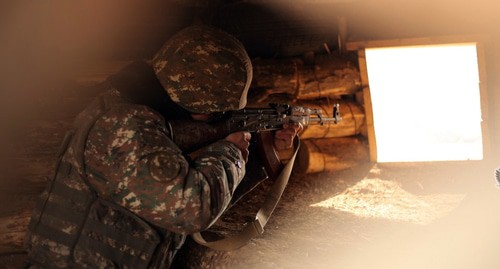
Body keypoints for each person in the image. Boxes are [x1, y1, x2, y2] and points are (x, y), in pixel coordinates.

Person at [24, 25, 301, 268]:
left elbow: (202, 199)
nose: (220, 119)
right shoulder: (122, 126)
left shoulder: (145, 119)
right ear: (193, 100)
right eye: (217, 113)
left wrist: (263, 151)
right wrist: (230, 152)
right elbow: (194, 209)